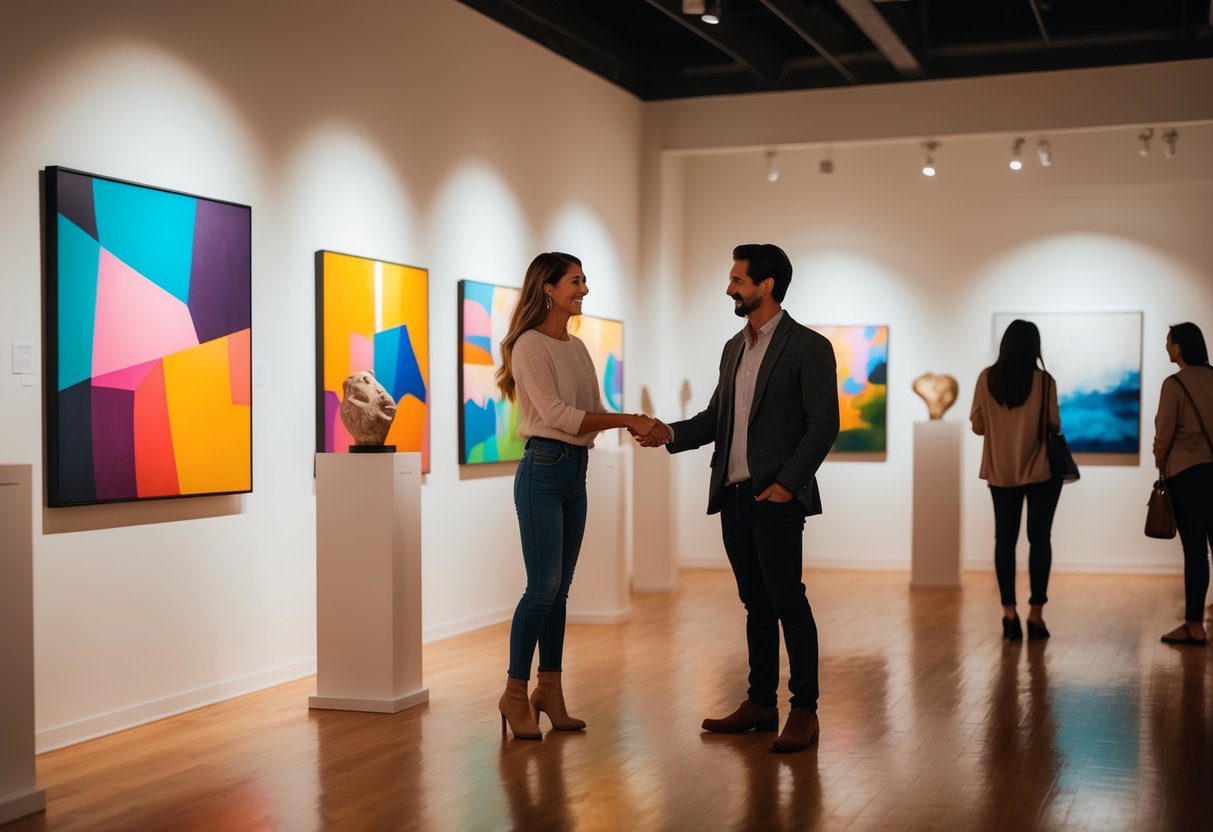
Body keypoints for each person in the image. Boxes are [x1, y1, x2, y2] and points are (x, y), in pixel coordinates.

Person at [639, 243, 839, 753]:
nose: (729, 288)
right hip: (733, 498)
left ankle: (805, 710)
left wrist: (787, 484)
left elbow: (824, 425)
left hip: (776, 500)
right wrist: (668, 432)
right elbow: (716, 418)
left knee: (788, 601)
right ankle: (760, 703)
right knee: (756, 605)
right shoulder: (733, 348)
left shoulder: (809, 347)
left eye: (737, 280)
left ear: (766, 285)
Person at [495, 252, 658, 739]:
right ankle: (514, 692)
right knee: (541, 587)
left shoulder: (578, 346)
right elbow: (560, 416)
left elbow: (591, 409)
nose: (583, 289)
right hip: (543, 471)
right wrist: (628, 420)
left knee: (560, 590)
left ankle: (550, 690)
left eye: (584, 280)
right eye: (575, 281)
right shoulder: (529, 345)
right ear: (548, 288)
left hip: (575, 471)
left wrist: (632, 425)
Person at [970, 319, 1063, 642]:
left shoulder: (987, 378)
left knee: (1005, 540)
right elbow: (1054, 423)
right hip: (1040, 471)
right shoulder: (1045, 382)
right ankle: (1036, 614)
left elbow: (978, 426)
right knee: (1040, 539)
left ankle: (1009, 614)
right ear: (1035, 346)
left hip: (1001, 471)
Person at [1153, 322, 1213, 647]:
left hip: (1186, 475)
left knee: (1195, 551)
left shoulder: (1174, 384)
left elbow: (1164, 433)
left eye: (1168, 341)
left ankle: (1194, 626)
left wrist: (1160, 463)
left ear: (1179, 347)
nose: (1166, 346)